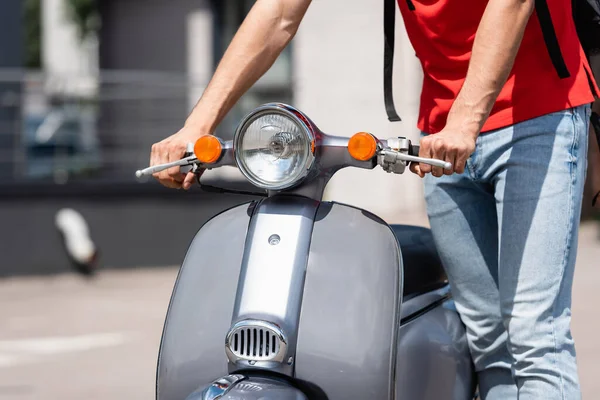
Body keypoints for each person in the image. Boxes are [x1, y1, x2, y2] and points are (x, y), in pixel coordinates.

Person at [149, 0, 598, 398]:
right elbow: (279, 13)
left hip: (539, 117)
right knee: (488, 341)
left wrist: (466, 119)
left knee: (534, 336)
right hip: (442, 137)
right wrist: (198, 124)